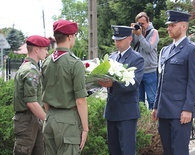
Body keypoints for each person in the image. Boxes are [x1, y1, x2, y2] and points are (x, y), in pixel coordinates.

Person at [151, 10, 195, 155]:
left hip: (180, 111)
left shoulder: (192, 50)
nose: (169, 28)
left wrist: (188, 109)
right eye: (168, 25)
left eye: (172, 25)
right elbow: (161, 80)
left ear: (183, 26)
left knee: (179, 151)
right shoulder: (166, 50)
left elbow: (194, 82)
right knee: (168, 151)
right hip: (164, 110)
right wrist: (156, 106)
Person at [41, 19, 89, 155]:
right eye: (74, 35)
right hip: (68, 122)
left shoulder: (46, 62)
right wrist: (85, 128)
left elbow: (44, 95)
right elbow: (80, 100)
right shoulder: (75, 63)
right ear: (69, 37)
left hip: (49, 119)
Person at [98, 25, 144, 155]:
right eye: (115, 40)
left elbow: (134, 83)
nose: (116, 43)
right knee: (114, 150)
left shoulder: (137, 58)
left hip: (127, 112)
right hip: (112, 110)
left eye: (120, 40)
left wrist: (112, 83)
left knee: (127, 150)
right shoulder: (112, 57)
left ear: (129, 39)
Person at [13, 35, 50, 155]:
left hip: (31, 119)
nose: (47, 52)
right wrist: (48, 120)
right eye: (45, 49)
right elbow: (32, 103)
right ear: (36, 49)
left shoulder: (27, 67)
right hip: (27, 120)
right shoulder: (30, 71)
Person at [131, 12, 159, 110]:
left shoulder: (154, 32)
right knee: (139, 100)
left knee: (152, 99)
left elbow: (148, 48)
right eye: (139, 23)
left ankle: (153, 122)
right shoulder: (136, 32)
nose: (141, 25)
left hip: (150, 70)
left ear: (148, 22)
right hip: (138, 70)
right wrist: (131, 32)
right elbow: (131, 45)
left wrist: (140, 36)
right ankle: (142, 122)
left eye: (143, 23)